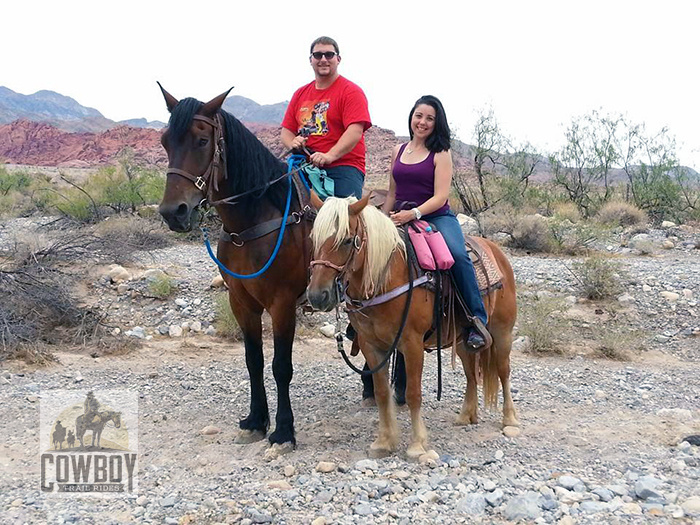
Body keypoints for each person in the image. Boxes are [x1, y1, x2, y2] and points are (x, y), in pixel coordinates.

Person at [383, 95, 489, 351]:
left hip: (436, 217)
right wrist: (382, 219)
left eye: (429, 118)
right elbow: (392, 194)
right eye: (419, 116)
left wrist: (414, 214)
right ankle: (360, 314)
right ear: (411, 117)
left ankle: (475, 320)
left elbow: (441, 196)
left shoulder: (440, 152)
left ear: (437, 123)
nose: (422, 122)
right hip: (399, 214)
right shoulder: (398, 150)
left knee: (457, 255)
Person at [281, 36, 371, 199]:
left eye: (329, 55)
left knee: (343, 214)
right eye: (318, 55)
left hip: (343, 166)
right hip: (304, 166)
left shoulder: (351, 91)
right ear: (311, 60)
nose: (323, 59)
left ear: (338, 59)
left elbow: (355, 131)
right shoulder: (300, 94)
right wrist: (292, 142)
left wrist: (329, 156)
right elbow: (286, 131)